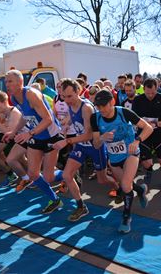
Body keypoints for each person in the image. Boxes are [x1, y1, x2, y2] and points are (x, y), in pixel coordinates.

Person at [91, 89, 152, 233]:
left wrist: (137, 141)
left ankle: (126, 218)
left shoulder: (123, 112)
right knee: (127, 186)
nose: (101, 109)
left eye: (103, 105)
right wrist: (101, 138)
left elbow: (148, 128)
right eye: (98, 107)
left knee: (125, 185)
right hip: (114, 158)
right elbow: (95, 144)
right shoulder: (95, 118)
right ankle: (141, 190)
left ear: (112, 102)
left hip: (130, 152)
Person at [4, 69, 65, 214]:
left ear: (20, 82)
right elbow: (25, 117)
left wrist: (29, 133)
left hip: (51, 135)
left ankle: (68, 174)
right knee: (33, 174)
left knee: (49, 177)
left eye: (10, 81)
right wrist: (13, 132)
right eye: (6, 82)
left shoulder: (31, 94)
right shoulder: (13, 98)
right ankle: (55, 200)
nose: (7, 84)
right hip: (36, 136)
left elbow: (48, 119)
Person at [53, 79, 107, 221]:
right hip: (82, 146)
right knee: (66, 175)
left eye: (70, 96)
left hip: (95, 146)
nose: (66, 100)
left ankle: (120, 188)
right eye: (64, 97)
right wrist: (66, 124)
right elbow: (72, 116)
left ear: (78, 92)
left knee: (103, 180)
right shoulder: (71, 104)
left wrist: (67, 140)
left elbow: (89, 135)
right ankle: (81, 206)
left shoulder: (86, 108)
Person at [132, 78, 161, 189]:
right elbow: (133, 119)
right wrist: (145, 125)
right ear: (143, 89)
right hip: (144, 134)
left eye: (153, 92)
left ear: (157, 88)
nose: (150, 95)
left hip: (158, 133)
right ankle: (149, 171)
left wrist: (155, 123)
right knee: (146, 162)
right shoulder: (137, 100)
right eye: (147, 93)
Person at [0, 91, 21, 187]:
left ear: (5, 102)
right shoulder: (5, 112)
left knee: (20, 160)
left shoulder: (14, 112)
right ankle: (14, 175)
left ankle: (31, 178)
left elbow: (8, 132)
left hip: (20, 138)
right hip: (12, 136)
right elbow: (5, 126)